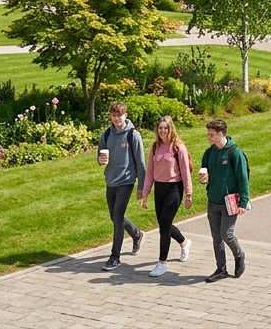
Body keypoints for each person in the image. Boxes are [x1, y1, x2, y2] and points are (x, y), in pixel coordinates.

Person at [138, 116, 193, 277]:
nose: (163, 131)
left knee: (164, 227)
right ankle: (184, 242)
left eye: (165, 128)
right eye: (160, 128)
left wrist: (189, 194)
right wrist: (145, 193)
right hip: (159, 189)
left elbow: (185, 172)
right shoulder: (155, 147)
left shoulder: (178, 148)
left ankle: (162, 263)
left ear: (171, 129)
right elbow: (149, 172)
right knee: (164, 225)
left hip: (174, 189)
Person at [97, 101, 146, 271]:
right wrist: (100, 160)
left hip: (126, 181)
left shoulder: (133, 135)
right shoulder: (106, 134)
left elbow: (140, 162)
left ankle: (114, 257)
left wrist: (142, 187)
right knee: (114, 217)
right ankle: (137, 234)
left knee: (117, 218)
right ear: (111, 116)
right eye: (114, 115)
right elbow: (99, 156)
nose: (117, 118)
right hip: (111, 180)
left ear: (125, 115)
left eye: (120, 115)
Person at [200, 118, 250, 281]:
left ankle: (239, 255)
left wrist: (243, 202)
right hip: (213, 200)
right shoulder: (209, 152)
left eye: (211, 135)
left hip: (230, 202)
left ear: (221, 134)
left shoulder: (234, 152)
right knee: (216, 237)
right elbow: (205, 172)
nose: (209, 137)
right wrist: (203, 178)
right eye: (208, 134)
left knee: (226, 234)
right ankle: (221, 269)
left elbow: (243, 179)